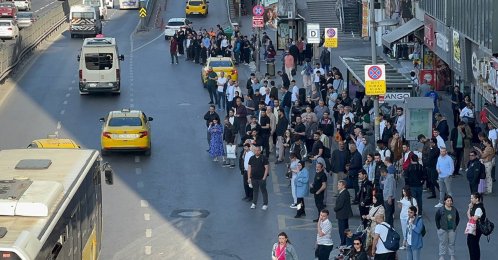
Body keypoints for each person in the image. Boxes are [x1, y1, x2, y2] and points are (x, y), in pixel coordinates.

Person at [435, 195, 459, 260]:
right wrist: (439, 227)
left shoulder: (454, 210)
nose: (449, 202)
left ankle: (452, 255)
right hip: (443, 229)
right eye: (448, 201)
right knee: (442, 243)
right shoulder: (441, 210)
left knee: (452, 243)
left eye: (450, 201)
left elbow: (457, 219)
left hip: (452, 229)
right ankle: (441, 256)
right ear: (445, 201)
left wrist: (455, 226)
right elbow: (437, 218)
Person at [467, 192, 486, 260]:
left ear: (477, 199)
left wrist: (470, 213)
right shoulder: (474, 206)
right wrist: (470, 208)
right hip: (473, 228)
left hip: (476, 229)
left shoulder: (479, 208)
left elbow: (473, 218)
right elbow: (468, 214)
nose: (471, 199)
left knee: (473, 244)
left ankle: (475, 258)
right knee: (471, 243)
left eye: (472, 198)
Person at [334, 180, 353, 246]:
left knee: (342, 229)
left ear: (343, 186)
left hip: (342, 214)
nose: (337, 186)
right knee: (345, 228)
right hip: (344, 214)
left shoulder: (344, 193)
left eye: (339, 185)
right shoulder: (344, 192)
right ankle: (345, 241)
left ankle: (343, 242)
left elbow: (340, 204)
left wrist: (335, 209)